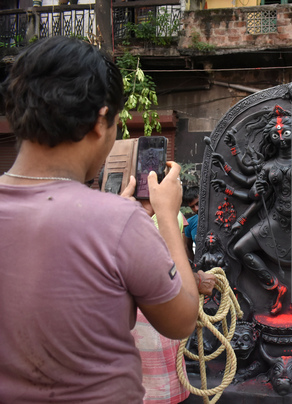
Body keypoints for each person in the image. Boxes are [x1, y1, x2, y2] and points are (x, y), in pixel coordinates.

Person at [0, 37, 212, 403]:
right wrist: (163, 214)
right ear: (101, 121)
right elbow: (181, 320)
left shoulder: (115, 218)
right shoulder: (119, 221)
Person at [182, 185, 200, 262]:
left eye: (198, 204)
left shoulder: (219, 217)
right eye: (192, 207)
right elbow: (188, 247)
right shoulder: (189, 223)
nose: (196, 209)